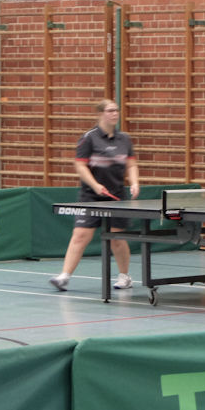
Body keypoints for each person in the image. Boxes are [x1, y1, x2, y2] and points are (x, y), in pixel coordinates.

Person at [49, 99, 140, 291]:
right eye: (110, 110)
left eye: (116, 110)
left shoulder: (124, 139)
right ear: (100, 114)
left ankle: (125, 277)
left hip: (116, 196)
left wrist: (134, 182)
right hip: (91, 195)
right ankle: (64, 276)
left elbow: (131, 164)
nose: (114, 113)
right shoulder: (89, 138)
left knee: (117, 238)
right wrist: (95, 185)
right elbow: (80, 166)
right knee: (80, 235)